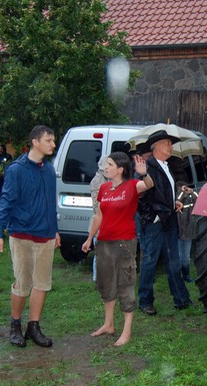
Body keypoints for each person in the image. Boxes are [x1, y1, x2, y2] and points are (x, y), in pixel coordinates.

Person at [0, 125, 60, 348]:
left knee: (42, 284)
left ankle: (33, 327)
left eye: (53, 141)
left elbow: (50, 203)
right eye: (49, 140)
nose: (53, 144)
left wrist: (55, 230)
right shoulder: (16, 170)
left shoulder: (49, 169)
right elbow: (6, 201)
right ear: (35, 141)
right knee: (23, 284)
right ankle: (15, 325)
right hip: (22, 235)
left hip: (46, 236)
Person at [82, 152, 153, 346]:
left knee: (124, 284)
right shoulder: (104, 188)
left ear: (120, 169)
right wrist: (90, 238)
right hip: (103, 242)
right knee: (106, 283)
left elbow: (148, 185)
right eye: (106, 164)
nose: (106, 167)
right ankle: (109, 324)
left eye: (110, 164)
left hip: (124, 243)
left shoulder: (132, 186)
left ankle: (126, 330)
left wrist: (143, 173)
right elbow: (99, 215)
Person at [137, 130, 193, 315]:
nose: (171, 146)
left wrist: (173, 202)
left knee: (173, 261)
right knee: (151, 261)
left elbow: (163, 193)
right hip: (156, 222)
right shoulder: (148, 167)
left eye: (170, 143)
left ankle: (181, 299)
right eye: (167, 143)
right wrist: (156, 215)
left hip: (168, 219)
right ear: (157, 146)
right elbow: (143, 196)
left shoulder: (166, 165)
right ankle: (145, 301)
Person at [88, 155, 110, 282]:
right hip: (100, 223)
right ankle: (97, 278)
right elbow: (97, 207)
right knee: (100, 252)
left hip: (108, 222)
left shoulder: (108, 179)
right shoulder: (97, 181)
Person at [176, 181, 198, 282]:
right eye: (183, 187)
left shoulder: (190, 196)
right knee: (179, 255)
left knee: (186, 256)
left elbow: (197, 198)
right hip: (179, 230)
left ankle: (186, 275)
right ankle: (178, 276)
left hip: (188, 230)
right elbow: (178, 198)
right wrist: (183, 191)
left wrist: (191, 191)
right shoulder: (178, 196)